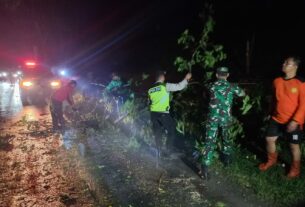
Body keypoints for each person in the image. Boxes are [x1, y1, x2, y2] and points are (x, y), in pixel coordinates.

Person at [259, 56, 305, 179]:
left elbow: (303, 104)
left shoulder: (300, 83)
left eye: (287, 63)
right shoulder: (277, 81)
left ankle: (295, 170)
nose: (283, 64)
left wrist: (295, 121)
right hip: (276, 118)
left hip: (293, 121)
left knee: (293, 146)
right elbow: (274, 100)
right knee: (269, 139)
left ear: (295, 67)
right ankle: (272, 160)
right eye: (284, 62)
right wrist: (269, 112)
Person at [200, 67, 245, 179]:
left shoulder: (211, 86)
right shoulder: (232, 86)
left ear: (216, 75)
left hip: (212, 118)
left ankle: (205, 168)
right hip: (225, 118)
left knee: (209, 141)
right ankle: (227, 160)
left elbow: (205, 91)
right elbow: (242, 94)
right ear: (227, 75)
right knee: (227, 139)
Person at [148, 70, 192, 157]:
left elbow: (149, 102)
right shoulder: (165, 86)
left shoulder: (150, 89)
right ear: (162, 77)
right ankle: (168, 151)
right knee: (171, 130)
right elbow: (179, 86)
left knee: (158, 133)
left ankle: (158, 152)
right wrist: (186, 79)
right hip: (163, 113)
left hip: (153, 114)